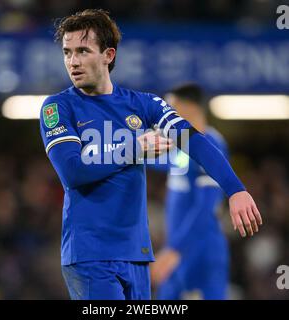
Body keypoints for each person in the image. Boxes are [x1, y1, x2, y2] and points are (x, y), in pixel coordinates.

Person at [39, 9, 262, 300]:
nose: (73, 61)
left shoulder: (143, 105)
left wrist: (235, 189)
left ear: (108, 55)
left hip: (136, 253)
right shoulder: (58, 107)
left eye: (83, 50)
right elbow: (73, 171)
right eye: (67, 52)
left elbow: (193, 139)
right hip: (89, 253)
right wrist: (135, 148)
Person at [150, 83, 231, 299]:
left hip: (201, 248)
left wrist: (175, 250)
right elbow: (154, 161)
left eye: (171, 107)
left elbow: (207, 206)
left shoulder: (210, 144)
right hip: (180, 247)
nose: (164, 113)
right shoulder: (182, 143)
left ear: (189, 108)